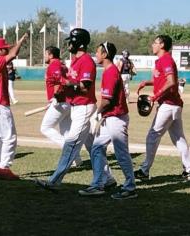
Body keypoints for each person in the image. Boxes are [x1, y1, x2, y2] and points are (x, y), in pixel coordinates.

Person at [35, 28, 100, 190]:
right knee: (93, 147)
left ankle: (54, 181)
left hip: (84, 106)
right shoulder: (76, 61)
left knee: (71, 144)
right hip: (76, 106)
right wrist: (58, 95)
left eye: (71, 41)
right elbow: (70, 85)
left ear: (79, 43)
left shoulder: (86, 61)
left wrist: (66, 83)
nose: (69, 44)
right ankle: (107, 177)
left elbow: (85, 87)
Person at [79, 42, 137, 199]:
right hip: (111, 117)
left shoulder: (110, 72)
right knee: (97, 148)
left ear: (105, 54)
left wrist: (95, 113)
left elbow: (107, 101)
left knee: (121, 153)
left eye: (98, 52)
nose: (95, 55)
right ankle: (98, 184)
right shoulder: (109, 70)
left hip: (116, 118)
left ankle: (130, 187)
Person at [135, 35, 190, 181]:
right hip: (173, 105)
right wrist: (148, 83)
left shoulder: (166, 59)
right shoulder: (161, 60)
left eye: (155, 42)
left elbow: (171, 82)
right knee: (179, 139)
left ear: (162, 45)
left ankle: (144, 171)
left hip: (168, 105)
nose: (152, 44)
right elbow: (163, 80)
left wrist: (154, 96)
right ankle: (189, 170)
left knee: (152, 136)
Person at [0, 34, 28, 180]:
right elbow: (14, 54)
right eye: (4, 48)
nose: (6, 50)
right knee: (9, 137)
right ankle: (4, 168)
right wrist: (21, 40)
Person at [40, 46, 83, 167]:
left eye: (45, 54)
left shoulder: (54, 65)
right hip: (67, 102)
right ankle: (76, 159)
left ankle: (70, 152)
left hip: (60, 102)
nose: (44, 56)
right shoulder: (63, 65)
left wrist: (55, 96)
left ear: (51, 55)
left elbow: (61, 82)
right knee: (66, 132)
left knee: (45, 128)